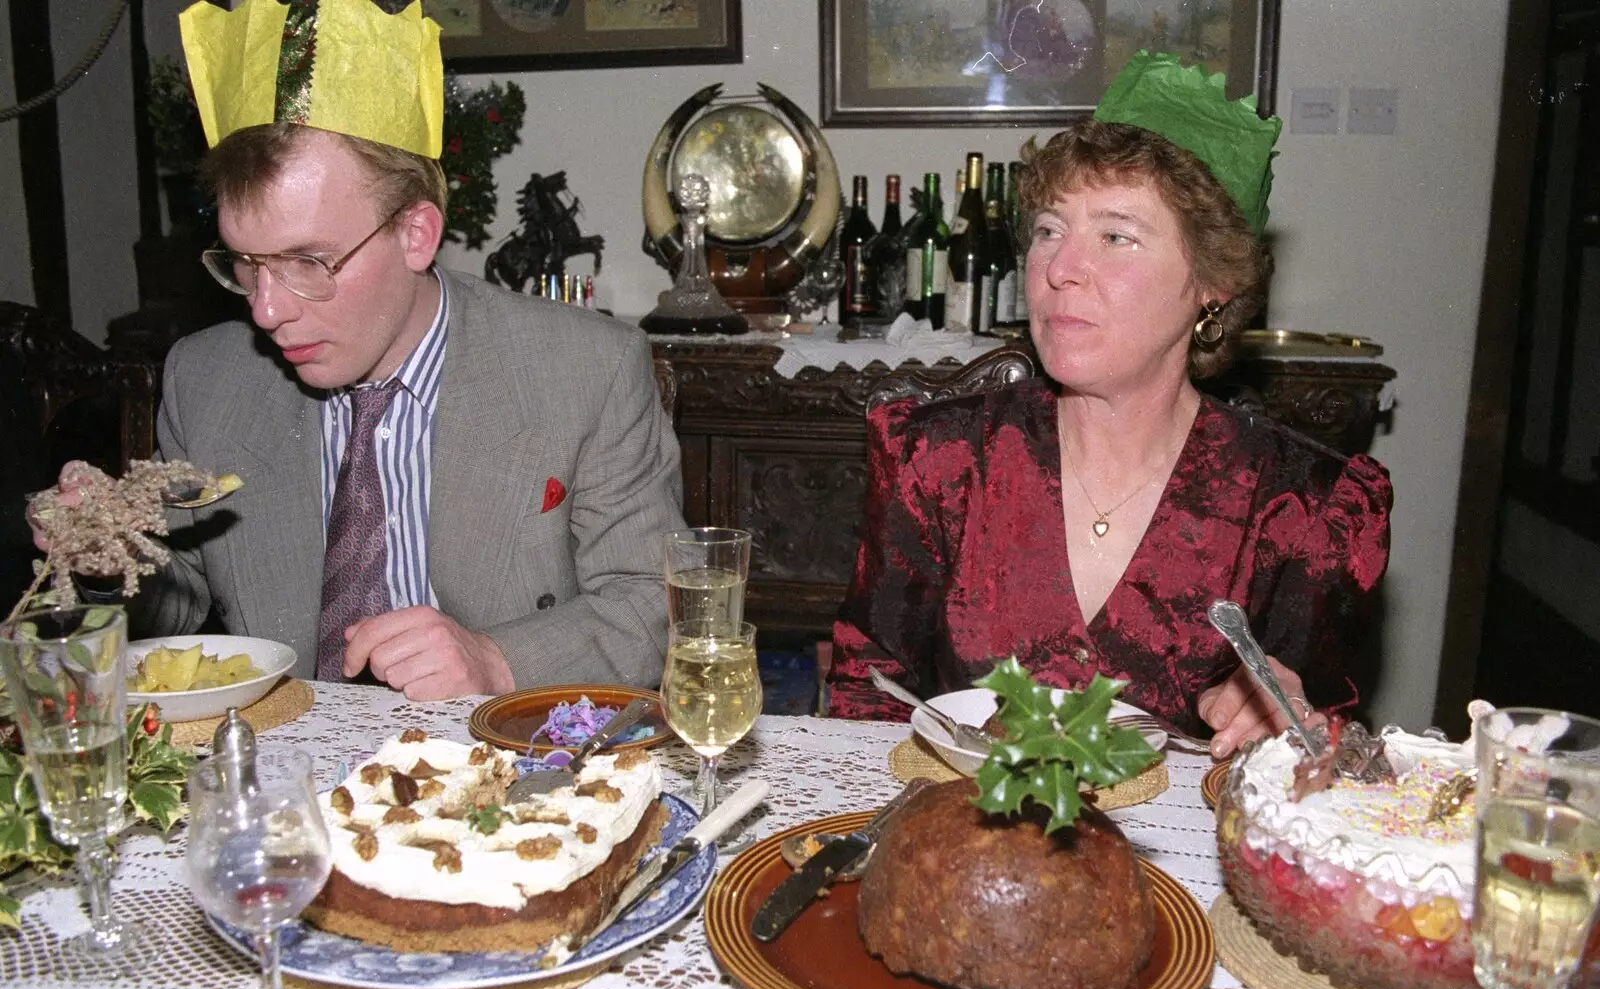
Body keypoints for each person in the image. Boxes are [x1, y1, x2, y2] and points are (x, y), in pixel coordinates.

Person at [41, 0, 684, 700]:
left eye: (308, 262)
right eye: (246, 265)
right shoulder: (207, 379)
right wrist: (111, 558)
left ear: (416, 233)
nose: (267, 309)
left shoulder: (584, 372)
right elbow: (177, 611)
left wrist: (499, 661)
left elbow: (654, 604)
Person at [827, 52, 1392, 758]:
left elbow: (1326, 759)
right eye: (1049, 230)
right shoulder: (939, 459)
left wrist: (1285, 718)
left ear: (1211, 284)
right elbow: (864, 699)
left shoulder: (1307, 509)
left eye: (1116, 235)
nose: (1059, 268)